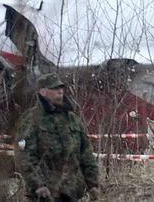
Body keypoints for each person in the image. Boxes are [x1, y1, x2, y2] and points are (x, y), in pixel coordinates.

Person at [13, 73, 100, 201]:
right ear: (43, 92)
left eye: (61, 88)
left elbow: (86, 154)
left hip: (72, 191)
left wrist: (93, 183)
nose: (60, 91)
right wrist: (38, 184)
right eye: (54, 88)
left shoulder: (73, 119)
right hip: (45, 193)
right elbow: (25, 156)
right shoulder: (31, 120)